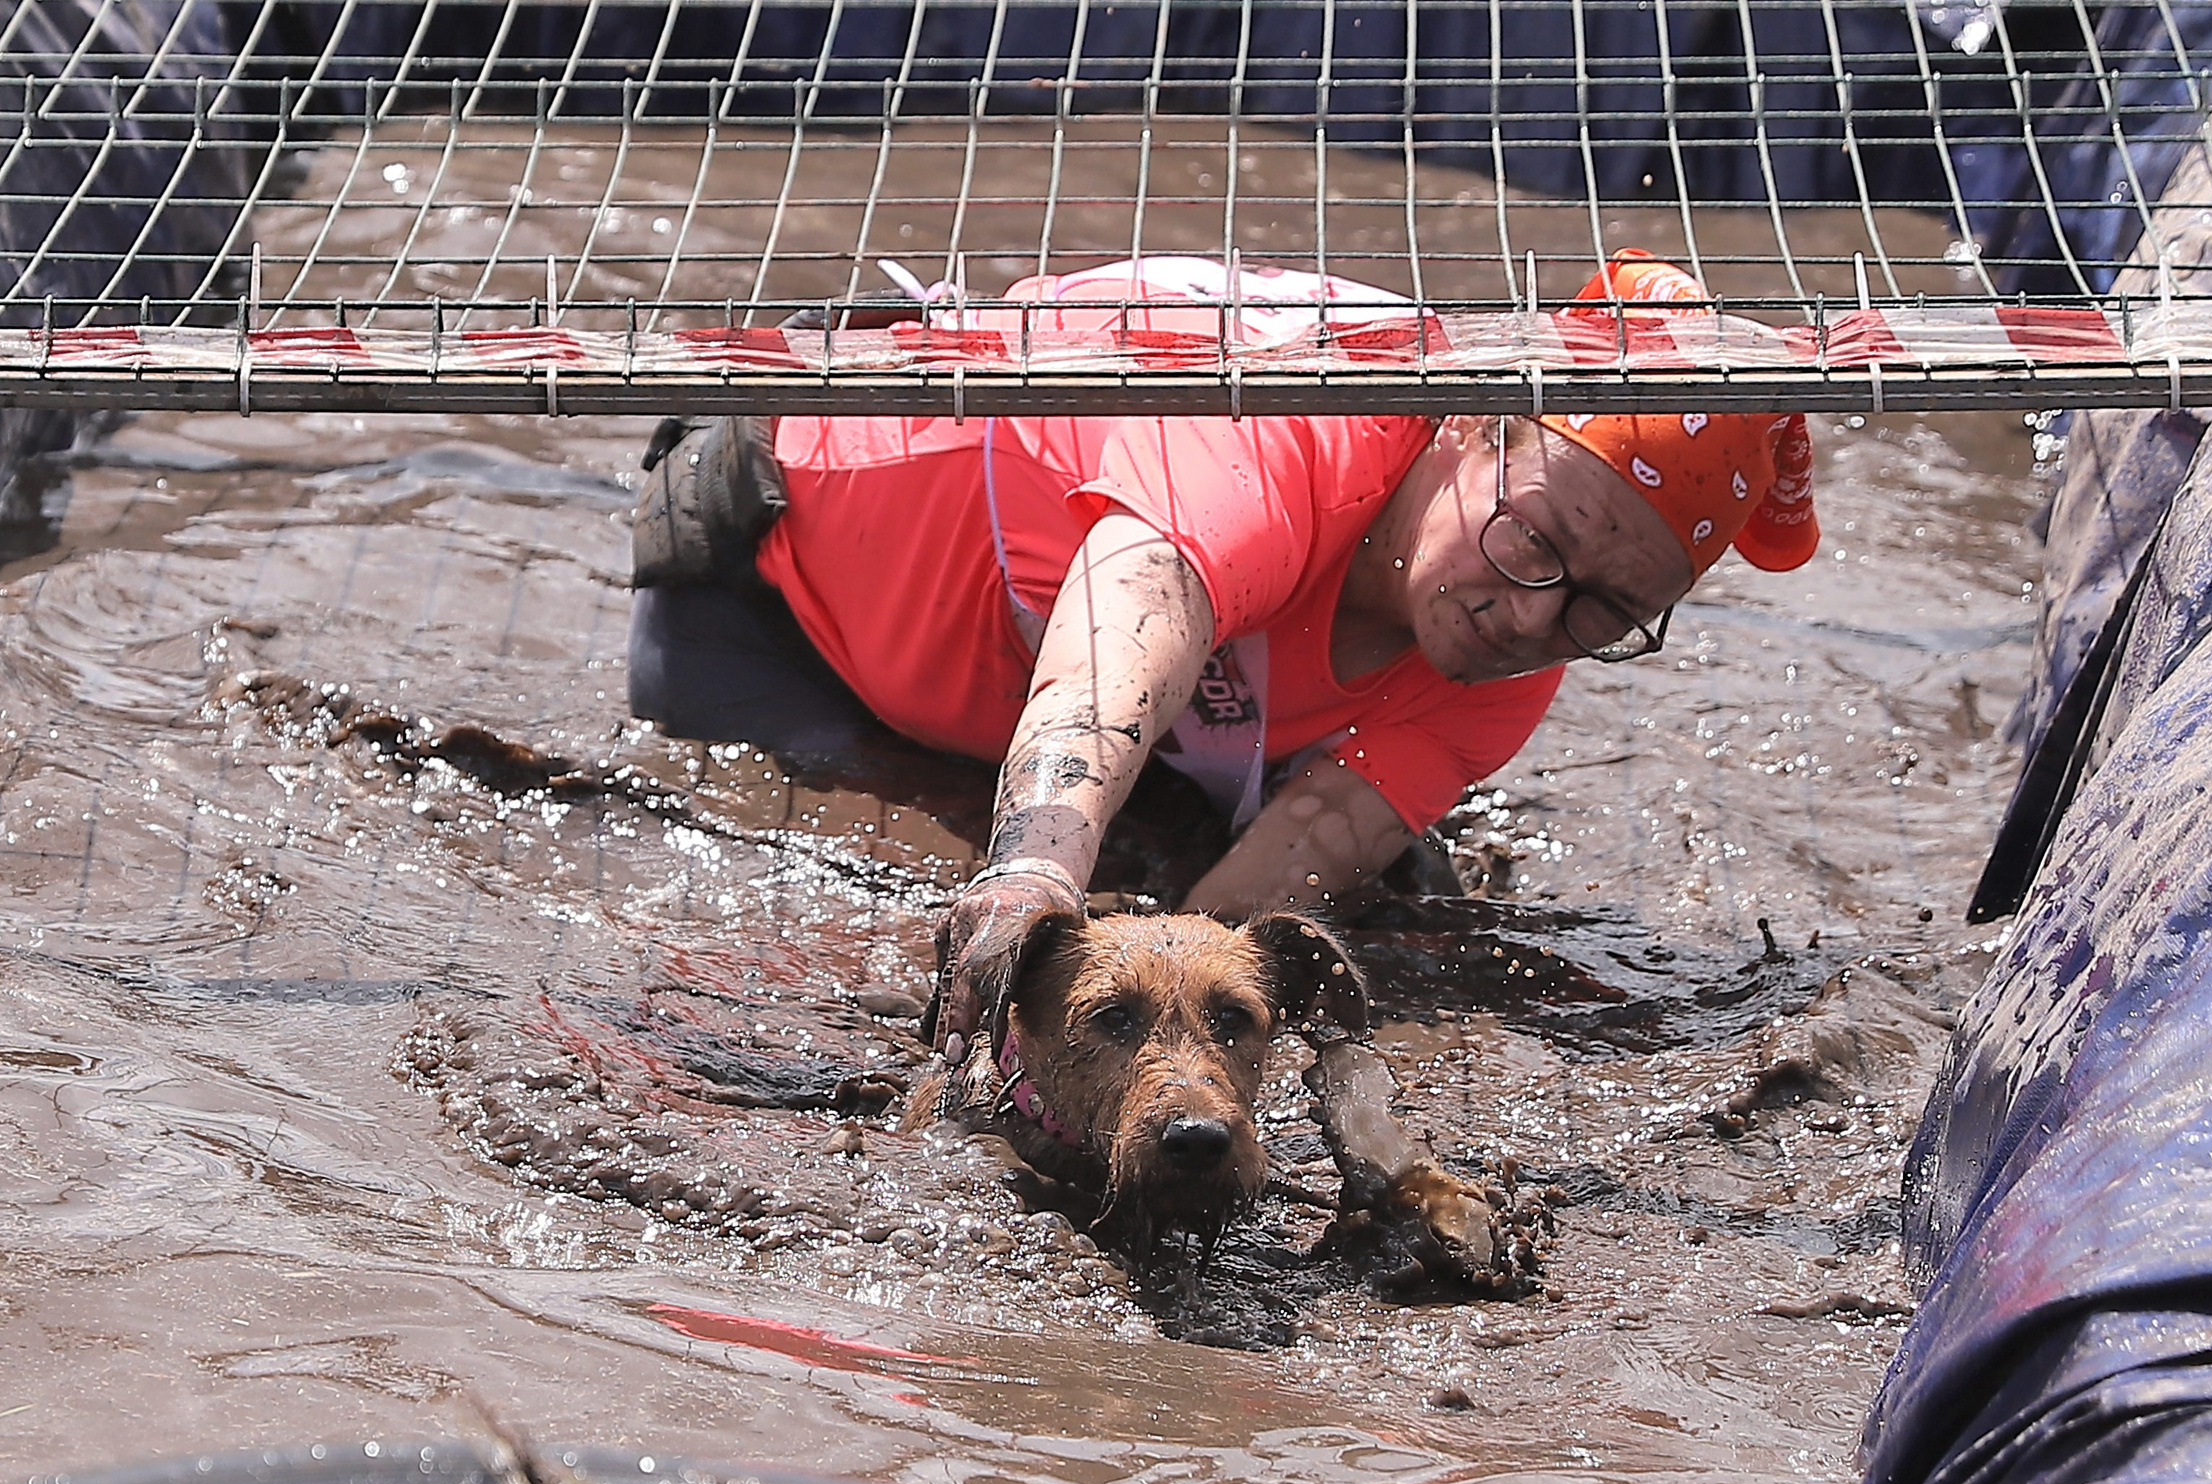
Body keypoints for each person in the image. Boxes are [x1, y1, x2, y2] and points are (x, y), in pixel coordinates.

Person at [627, 250, 1819, 1064]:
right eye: (1530, 542)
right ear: (1468, 422)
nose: (1527, 618)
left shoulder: (1517, 660)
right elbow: (1116, 646)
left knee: (1373, 915)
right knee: (805, 951)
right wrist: (1034, 870)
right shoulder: (1293, 426)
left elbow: (1263, 894)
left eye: (1607, 610)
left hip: (1037, 680)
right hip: (790, 596)